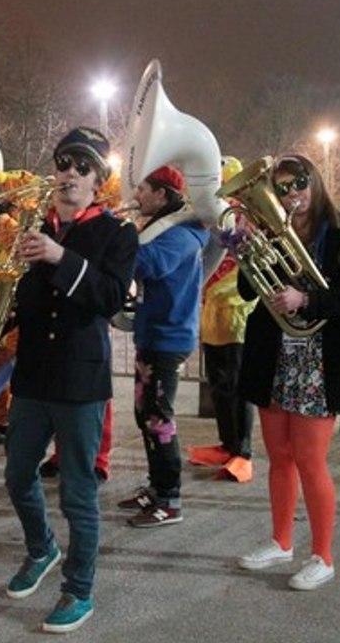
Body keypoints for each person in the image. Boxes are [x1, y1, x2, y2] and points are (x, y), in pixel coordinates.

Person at [2, 127, 136, 633]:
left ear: (99, 179)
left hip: (80, 379)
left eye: (83, 167)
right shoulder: (38, 226)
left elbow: (109, 298)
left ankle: (78, 589)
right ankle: (42, 548)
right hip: (33, 373)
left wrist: (60, 259)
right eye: (64, 164)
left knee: (78, 492)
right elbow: (33, 303)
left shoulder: (117, 233)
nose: (71, 174)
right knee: (17, 475)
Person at [235, 154, 340, 591]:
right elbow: (245, 289)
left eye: (300, 183)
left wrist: (304, 300)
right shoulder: (272, 229)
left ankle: (323, 556)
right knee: (279, 456)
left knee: (311, 460)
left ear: (316, 182)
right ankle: (281, 540)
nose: (293, 194)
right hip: (275, 353)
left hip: (319, 358)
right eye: (283, 188)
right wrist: (244, 246)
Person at [116, 164, 208, 527]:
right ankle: (157, 488)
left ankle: (170, 500)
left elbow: (148, 265)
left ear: (163, 194)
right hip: (155, 333)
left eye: (143, 189)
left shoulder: (182, 234)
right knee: (145, 413)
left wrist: (118, 235)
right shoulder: (165, 229)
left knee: (158, 418)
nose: (137, 196)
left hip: (168, 337)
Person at [189, 157, 258, 482]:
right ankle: (227, 443)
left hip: (236, 312)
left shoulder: (248, 217)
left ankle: (243, 452)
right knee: (218, 385)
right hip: (213, 310)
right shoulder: (214, 215)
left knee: (237, 385)